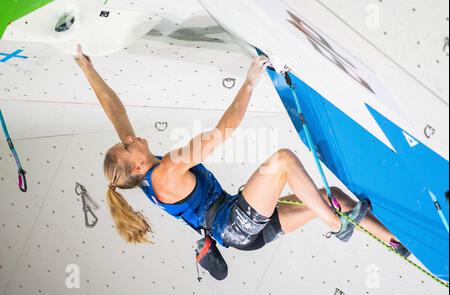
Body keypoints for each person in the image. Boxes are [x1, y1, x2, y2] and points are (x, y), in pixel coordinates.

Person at [74, 45, 410, 256]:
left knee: (332, 195)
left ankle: (399, 243)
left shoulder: (137, 170)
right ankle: (338, 227)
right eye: (126, 145)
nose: (130, 139)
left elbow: (115, 113)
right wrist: (250, 81)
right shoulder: (165, 172)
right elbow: (223, 132)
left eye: (125, 140)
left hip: (237, 227)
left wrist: (87, 69)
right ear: (135, 167)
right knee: (282, 162)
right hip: (234, 223)